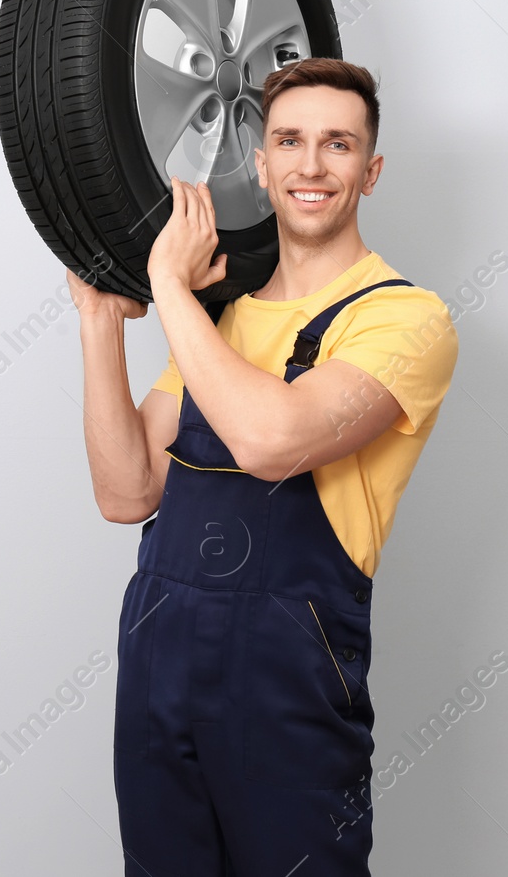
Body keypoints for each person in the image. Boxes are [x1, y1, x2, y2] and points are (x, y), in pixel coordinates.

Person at [67, 58, 458, 875]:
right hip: (157, 668)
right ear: (261, 164)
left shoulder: (407, 319)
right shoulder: (224, 321)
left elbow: (272, 441)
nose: (311, 166)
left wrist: (168, 287)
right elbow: (127, 489)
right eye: (290, 141)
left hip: (286, 689)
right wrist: (101, 320)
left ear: (371, 170)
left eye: (337, 144)